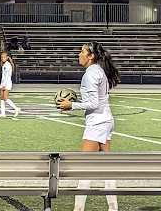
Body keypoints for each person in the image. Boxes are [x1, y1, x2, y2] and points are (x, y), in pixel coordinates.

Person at [55, 41, 120, 211]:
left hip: (97, 123)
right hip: (106, 121)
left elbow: (92, 102)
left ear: (91, 56)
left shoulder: (90, 74)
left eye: (82, 51)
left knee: (84, 170)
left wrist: (71, 105)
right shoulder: (100, 71)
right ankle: (113, 208)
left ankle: (78, 209)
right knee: (107, 171)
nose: (79, 54)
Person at [0, 53, 21, 118]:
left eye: (4, 57)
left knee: (5, 98)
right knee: (1, 98)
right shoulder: (4, 65)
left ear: (7, 57)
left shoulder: (7, 65)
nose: (3, 58)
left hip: (7, 83)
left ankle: (16, 108)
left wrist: (4, 85)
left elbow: (7, 76)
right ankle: (3, 113)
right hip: (3, 82)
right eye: (2, 57)